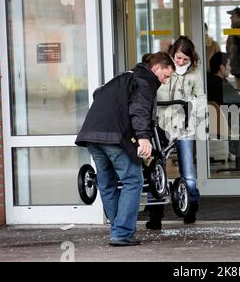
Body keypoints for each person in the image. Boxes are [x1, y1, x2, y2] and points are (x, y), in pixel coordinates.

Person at [75, 52, 175, 247]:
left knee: (106, 182)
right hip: (113, 136)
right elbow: (139, 110)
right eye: (166, 75)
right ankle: (121, 233)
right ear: (156, 68)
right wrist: (144, 138)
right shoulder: (146, 81)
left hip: (92, 134)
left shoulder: (123, 78)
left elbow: (98, 94)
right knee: (133, 180)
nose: (165, 81)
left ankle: (118, 229)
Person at [146, 36, 206, 230]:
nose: (180, 62)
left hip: (184, 125)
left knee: (187, 170)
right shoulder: (165, 68)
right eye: (178, 57)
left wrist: (190, 106)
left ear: (191, 59)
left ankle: (190, 206)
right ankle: (155, 214)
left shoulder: (195, 73)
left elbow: (201, 98)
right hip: (161, 125)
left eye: (184, 59)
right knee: (156, 167)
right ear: (172, 54)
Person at [207, 52, 240, 164]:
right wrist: (239, 94)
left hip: (220, 122)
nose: (230, 68)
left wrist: (238, 94)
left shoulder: (212, 81)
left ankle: (236, 152)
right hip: (225, 124)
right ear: (221, 68)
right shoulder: (220, 85)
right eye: (229, 65)